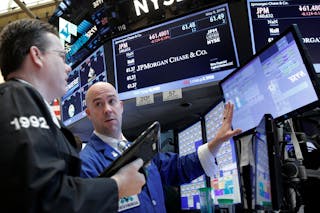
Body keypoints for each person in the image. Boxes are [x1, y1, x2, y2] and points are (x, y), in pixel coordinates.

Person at [0, 18, 146, 212]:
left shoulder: (28, 106)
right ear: (36, 55)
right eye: (61, 57)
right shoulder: (17, 96)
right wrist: (117, 186)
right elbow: (44, 196)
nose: (68, 66)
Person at [80, 81, 242, 212]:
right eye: (99, 104)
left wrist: (216, 143)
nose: (107, 109)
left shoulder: (141, 151)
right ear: (89, 113)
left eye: (111, 101)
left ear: (120, 107)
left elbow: (179, 168)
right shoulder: (85, 164)